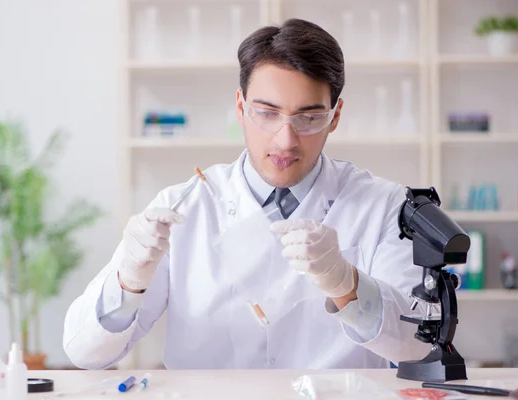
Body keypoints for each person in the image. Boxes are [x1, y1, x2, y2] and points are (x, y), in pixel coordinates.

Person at [63, 18, 431, 370]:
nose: (285, 140)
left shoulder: (384, 206)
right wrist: (128, 281)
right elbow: (84, 352)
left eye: (309, 117)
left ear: (334, 117)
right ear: (240, 107)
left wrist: (347, 285)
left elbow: (418, 347)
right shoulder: (183, 205)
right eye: (267, 113)